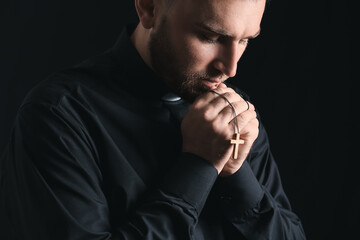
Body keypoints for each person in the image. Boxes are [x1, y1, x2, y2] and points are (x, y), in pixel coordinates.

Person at [0, 0, 306, 239]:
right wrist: (199, 166)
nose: (230, 66)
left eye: (245, 40)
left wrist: (237, 175)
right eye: (210, 36)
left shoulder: (237, 114)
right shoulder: (59, 116)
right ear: (149, 8)